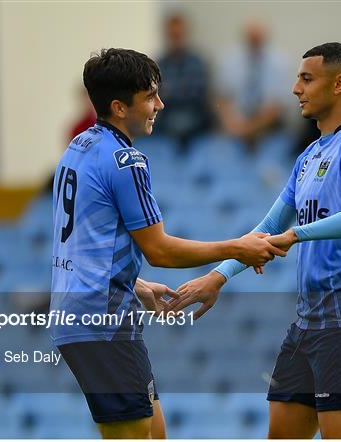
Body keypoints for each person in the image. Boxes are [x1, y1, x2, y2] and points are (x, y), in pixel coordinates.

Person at [50, 48, 286, 439]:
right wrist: (237, 247)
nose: (160, 104)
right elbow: (159, 250)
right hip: (103, 320)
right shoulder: (126, 160)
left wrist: (135, 284)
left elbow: (80, 242)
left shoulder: (78, 148)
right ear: (118, 107)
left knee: (155, 432)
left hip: (80, 311)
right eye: (150, 97)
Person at [172, 43, 341, 439]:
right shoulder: (308, 155)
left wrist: (297, 234)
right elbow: (270, 225)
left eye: (307, 78)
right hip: (308, 323)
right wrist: (218, 277)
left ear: (340, 83)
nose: (295, 88)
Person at [216, 19, 289, 149]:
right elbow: (222, 99)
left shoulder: (280, 64)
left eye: (258, 38)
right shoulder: (230, 62)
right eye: (251, 38)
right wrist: (232, 124)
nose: (255, 42)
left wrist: (249, 128)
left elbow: (277, 107)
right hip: (236, 124)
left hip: (269, 128)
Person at [155, 13, 212, 150]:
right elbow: (157, 93)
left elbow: (198, 93)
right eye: (173, 35)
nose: (176, 39)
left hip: (194, 115)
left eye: (178, 34)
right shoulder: (159, 64)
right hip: (166, 115)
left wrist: (170, 91)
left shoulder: (197, 63)